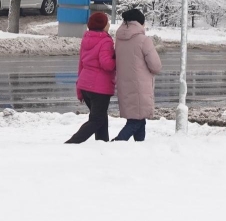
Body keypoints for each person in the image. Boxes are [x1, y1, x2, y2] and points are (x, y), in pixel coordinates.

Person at [66, 13, 115, 143]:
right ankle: (72, 143)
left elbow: (81, 63)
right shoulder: (106, 40)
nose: (109, 24)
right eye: (107, 22)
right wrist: (117, 59)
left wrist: (79, 89)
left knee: (101, 118)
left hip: (85, 85)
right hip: (99, 88)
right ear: (102, 25)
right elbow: (107, 64)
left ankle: (102, 144)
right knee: (97, 120)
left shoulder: (86, 38)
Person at [113, 9, 162, 142]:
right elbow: (156, 66)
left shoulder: (119, 39)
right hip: (140, 87)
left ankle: (140, 148)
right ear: (140, 22)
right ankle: (116, 143)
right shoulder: (144, 40)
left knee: (139, 120)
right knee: (136, 121)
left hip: (125, 85)